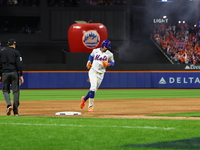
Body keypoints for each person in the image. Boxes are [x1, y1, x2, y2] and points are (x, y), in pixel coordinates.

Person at [80, 40, 115, 112]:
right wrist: (89, 62)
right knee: (92, 88)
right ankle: (90, 107)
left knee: (94, 90)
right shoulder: (95, 51)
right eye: (105, 46)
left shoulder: (110, 54)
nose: (106, 48)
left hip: (101, 74)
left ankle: (84, 99)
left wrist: (108, 64)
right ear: (102, 45)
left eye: (108, 47)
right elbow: (91, 56)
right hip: (93, 71)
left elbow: (113, 63)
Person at [0, 38, 24, 116]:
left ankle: (8, 105)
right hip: (14, 73)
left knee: (5, 90)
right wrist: (21, 75)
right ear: (13, 45)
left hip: (5, 73)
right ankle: (16, 112)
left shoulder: (2, 52)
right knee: (16, 91)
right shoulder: (16, 52)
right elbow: (19, 65)